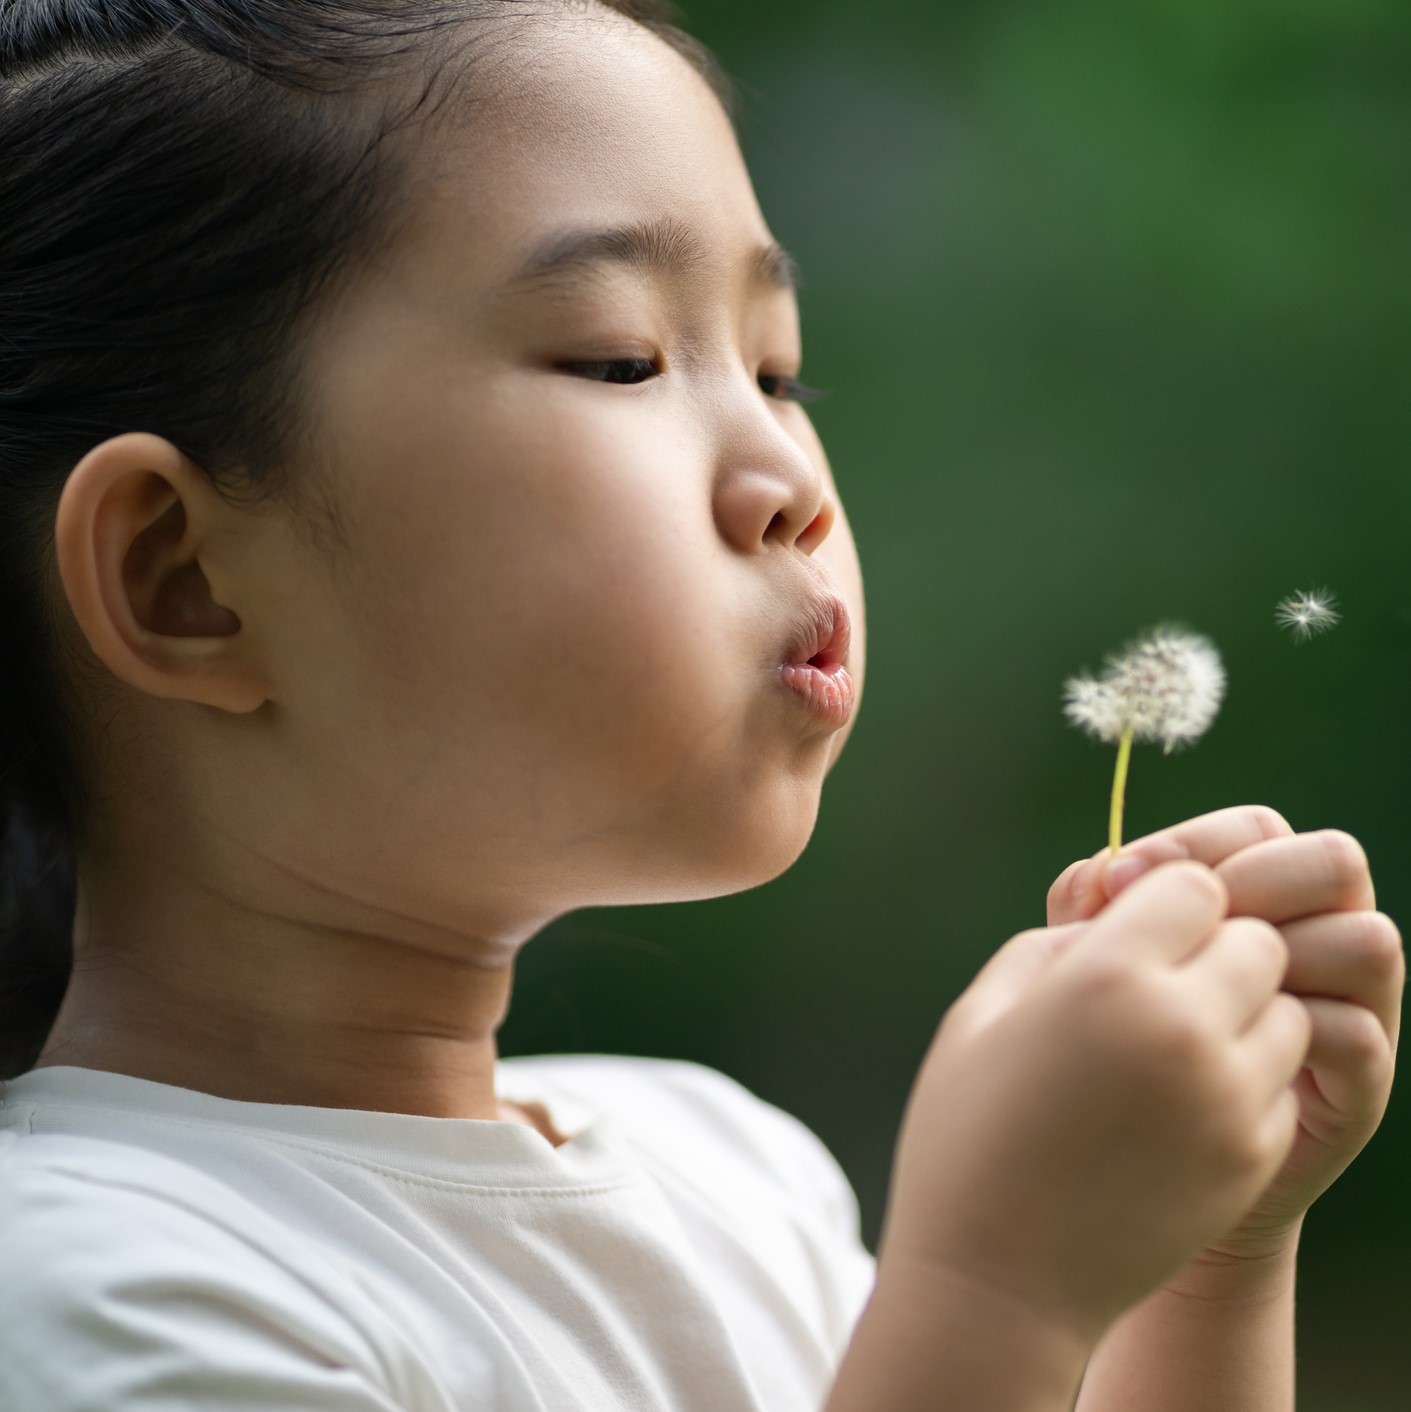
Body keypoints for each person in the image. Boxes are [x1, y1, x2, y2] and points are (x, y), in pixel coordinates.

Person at [0, 3, 1400, 1409]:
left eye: (781, 370)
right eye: (620, 358)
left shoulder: (732, 1172)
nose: (790, 479)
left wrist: (1201, 1264)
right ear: (180, 578)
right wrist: (997, 1296)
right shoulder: (91, 1282)